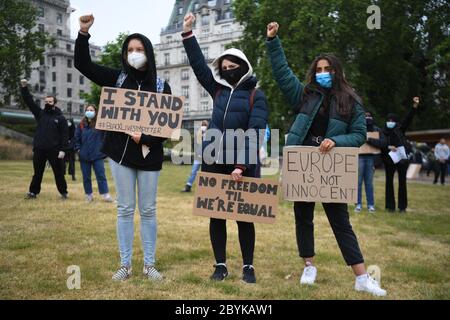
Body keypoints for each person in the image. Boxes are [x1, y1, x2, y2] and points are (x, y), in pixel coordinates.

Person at [265, 21, 386, 296]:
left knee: (341, 222)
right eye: (318, 70)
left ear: (336, 72)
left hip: (331, 166)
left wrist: (336, 141)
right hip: (304, 164)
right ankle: (308, 265)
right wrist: (273, 42)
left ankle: (362, 277)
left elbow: (358, 134)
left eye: (326, 70)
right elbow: (283, 74)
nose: (322, 74)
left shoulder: (350, 100)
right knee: (303, 217)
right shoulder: (305, 95)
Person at [75, 14, 171, 281]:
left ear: (148, 53)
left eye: (139, 49)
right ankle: (125, 265)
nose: (134, 54)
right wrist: (84, 34)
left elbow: (167, 126)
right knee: (125, 209)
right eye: (130, 50)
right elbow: (82, 64)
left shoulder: (163, 87)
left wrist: (145, 139)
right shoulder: (116, 78)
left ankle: (149, 264)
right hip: (119, 155)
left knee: (149, 210)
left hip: (150, 156)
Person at [183, 13, 268, 283]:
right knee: (216, 215)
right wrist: (188, 34)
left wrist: (241, 165)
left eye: (234, 65)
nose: (229, 69)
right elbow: (199, 67)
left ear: (244, 67)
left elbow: (255, 131)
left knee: (244, 217)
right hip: (214, 160)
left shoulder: (257, 95)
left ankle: (248, 267)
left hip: (243, 164)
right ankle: (220, 265)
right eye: (225, 66)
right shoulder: (217, 91)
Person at [20, 79, 69, 200]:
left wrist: (63, 150)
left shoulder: (61, 118)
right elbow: (29, 101)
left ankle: (63, 193)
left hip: (55, 150)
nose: (48, 103)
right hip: (40, 149)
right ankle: (33, 192)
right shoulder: (40, 114)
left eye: (50, 101)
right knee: (37, 173)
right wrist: (24, 87)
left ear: (55, 103)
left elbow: (65, 135)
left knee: (58, 173)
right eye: (46, 101)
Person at [379, 97, 419, 213]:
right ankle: (390, 206)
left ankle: (402, 207)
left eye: (392, 120)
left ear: (396, 122)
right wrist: (388, 147)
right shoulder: (382, 132)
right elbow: (380, 144)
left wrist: (414, 106)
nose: (390, 122)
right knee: (389, 182)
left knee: (402, 182)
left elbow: (408, 118)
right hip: (389, 159)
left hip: (401, 159)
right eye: (388, 120)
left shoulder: (400, 129)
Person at [74, 104, 113, 202]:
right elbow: (76, 138)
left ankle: (105, 195)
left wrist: (104, 149)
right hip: (84, 156)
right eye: (87, 110)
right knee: (86, 176)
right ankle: (89, 195)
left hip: (97, 155)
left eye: (91, 110)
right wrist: (78, 149)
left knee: (101, 175)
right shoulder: (81, 125)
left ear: (95, 112)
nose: (89, 112)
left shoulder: (100, 124)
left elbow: (106, 137)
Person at [355, 111, 384, 213]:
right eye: (365, 116)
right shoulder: (358, 128)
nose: (367, 118)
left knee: (369, 183)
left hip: (371, 158)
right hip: (359, 157)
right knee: (358, 183)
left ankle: (370, 205)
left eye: (369, 116)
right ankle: (358, 204)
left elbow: (381, 143)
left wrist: (369, 139)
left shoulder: (376, 129)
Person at [181, 120, 209, 192]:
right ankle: (188, 186)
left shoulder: (209, 135)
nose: (203, 128)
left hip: (206, 156)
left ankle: (204, 188)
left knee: (203, 172)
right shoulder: (198, 135)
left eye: (204, 126)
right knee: (194, 171)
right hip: (199, 156)